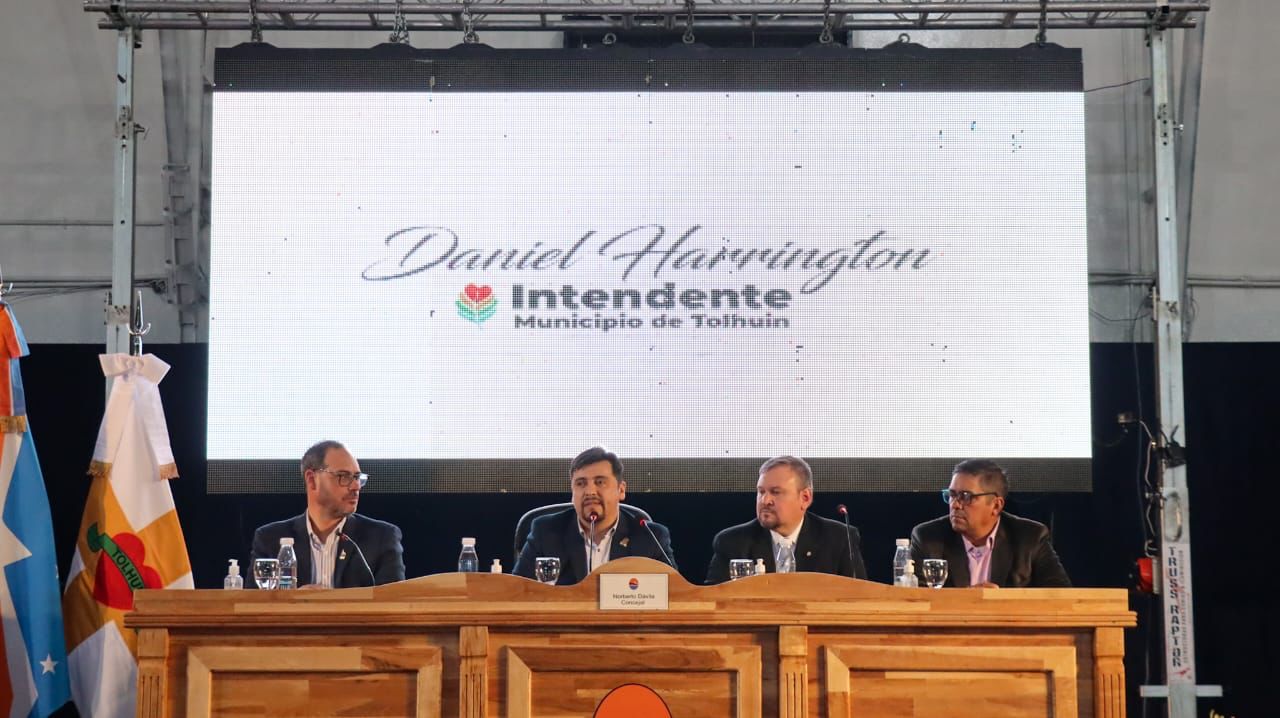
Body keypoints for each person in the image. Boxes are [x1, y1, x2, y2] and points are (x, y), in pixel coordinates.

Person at [251, 440, 405, 588]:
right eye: (344, 476)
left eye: (357, 477)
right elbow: (251, 603)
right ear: (312, 480)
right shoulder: (270, 539)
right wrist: (296, 599)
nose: (356, 486)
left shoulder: (381, 537)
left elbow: (394, 601)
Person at [513, 446, 676, 584]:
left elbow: (675, 596)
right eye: (581, 483)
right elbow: (516, 593)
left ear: (621, 490)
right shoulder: (546, 532)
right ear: (572, 492)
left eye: (600, 482)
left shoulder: (650, 537)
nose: (590, 491)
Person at [705, 455, 866, 584]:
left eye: (776, 492)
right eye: (761, 492)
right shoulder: (732, 542)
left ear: (805, 498)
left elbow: (860, 599)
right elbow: (711, 603)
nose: (765, 500)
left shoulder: (839, 538)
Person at [910, 459, 1070, 588]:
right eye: (952, 495)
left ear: (996, 505)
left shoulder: (1030, 538)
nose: (955, 505)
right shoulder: (928, 538)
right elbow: (913, 600)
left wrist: (998, 603)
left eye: (966, 496)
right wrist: (965, 600)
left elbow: (1060, 596)